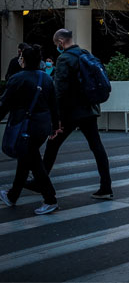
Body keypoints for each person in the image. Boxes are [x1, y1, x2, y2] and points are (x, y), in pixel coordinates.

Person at [31, 29, 113, 200]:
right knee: (97, 147)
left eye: (56, 44)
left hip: (71, 112)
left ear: (61, 41)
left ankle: (41, 181)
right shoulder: (85, 54)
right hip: (90, 110)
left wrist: (57, 119)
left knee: (52, 145)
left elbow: (59, 91)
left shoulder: (64, 59)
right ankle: (106, 187)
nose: (57, 47)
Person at [0, 45, 60, 215]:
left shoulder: (18, 79)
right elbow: (54, 105)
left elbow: (5, 103)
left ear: (23, 60)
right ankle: (12, 195)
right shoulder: (46, 79)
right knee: (26, 158)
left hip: (25, 127)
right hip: (43, 126)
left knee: (33, 161)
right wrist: (55, 126)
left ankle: (50, 199)